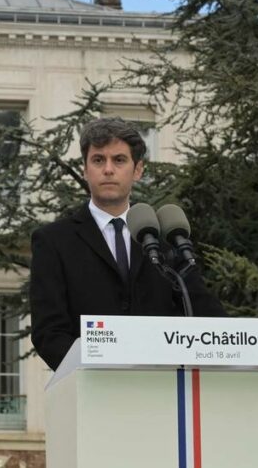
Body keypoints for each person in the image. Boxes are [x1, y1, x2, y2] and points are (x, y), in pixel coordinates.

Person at [29, 117, 226, 370]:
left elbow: (207, 317)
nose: (108, 169)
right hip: (92, 390)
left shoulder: (166, 238)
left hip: (165, 390)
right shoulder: (54, 241)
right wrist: (95, 372)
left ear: (138, 170)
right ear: (84, 169)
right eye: (98, 160)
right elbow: (49, 332)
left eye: (119, 160)